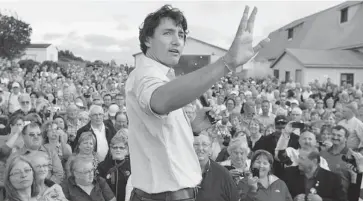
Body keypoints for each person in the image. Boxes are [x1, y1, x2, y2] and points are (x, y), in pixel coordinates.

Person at [125, 4, 267, 200]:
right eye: (168, 33)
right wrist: (227, 63)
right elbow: (161, 100)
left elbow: (160, 136)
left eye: (181, 35)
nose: (177, 41)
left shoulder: (161, 76)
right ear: (148, 39)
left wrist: (191, 128)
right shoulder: (145, 74)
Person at [282, 149, 347, 201]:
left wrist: (322, 200)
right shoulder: (289, 173)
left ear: (314, 161)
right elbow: (280, 195)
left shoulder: (333, 178)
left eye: (302, 158)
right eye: (299, 157)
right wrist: (293, 199)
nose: (298, 161)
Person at [193, 133, 239, 201]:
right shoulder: (181, 171)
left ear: (210, 150)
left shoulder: (223, 174)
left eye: (204, 144)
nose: (200, 148)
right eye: (196, 144)